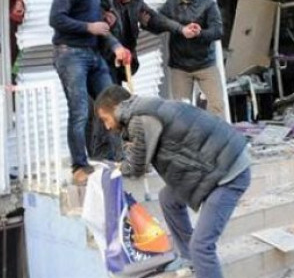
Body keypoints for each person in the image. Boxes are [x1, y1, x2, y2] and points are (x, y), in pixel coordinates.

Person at [94, 85, 250, 278]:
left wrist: (113, 170)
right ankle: (189, 257)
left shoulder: (140, 119)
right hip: (214, 165)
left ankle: (196, 256)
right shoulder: (145, 110)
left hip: (229, 173)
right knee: (168, 198)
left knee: (202, 246)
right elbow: (141, 156)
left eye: (106, 119)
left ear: (116, 109)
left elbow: (136, 167)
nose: (107, 127)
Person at [50, 0, 131, 185]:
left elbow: (101, 28)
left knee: (115, 104)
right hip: (70, 54)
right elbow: (56, 19)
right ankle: (79, 166)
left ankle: (121, 159)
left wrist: (116, 47)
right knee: (80, 111)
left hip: (94, 55)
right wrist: (88, 27)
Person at [97, 0, 185, 85]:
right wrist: (117, 47)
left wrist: (180, 28)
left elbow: (153, 18)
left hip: (123, 60)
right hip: (103, 59)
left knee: (117, 92)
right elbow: (100, 30)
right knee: (108, 92)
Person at [159, 0, 225, 117]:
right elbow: (157, 22)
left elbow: (218, 31)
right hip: (180, 66)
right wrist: (180, 29)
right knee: (181, 112)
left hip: (205, 64)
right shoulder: (170, 5)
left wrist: (200, 33)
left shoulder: (209, 5)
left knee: (217, 106)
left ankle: (217, 133)